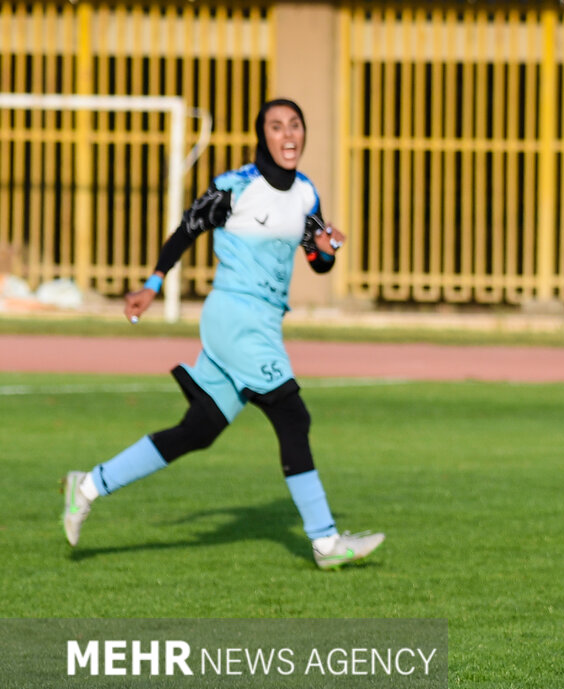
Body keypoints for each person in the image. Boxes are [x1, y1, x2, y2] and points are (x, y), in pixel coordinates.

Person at [61, 98, 384, 570]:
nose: (288, 134)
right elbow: (187, 229)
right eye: (276, 126)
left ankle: (87, 486)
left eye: (296, 124)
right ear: (262, 135)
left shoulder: (306, 195)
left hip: (263, 322)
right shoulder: (236, 187)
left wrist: (326, 246)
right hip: (236, 317)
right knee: (292, 417)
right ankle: (325, 541)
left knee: (199, 430)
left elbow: (318, 260)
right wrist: (153, 284)